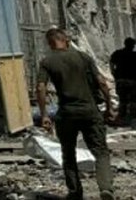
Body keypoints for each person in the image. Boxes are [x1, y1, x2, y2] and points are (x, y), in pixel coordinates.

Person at [37, 27, 114, 200]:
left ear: (50, 43)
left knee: (68, 153)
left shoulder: (47, 62)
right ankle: (106, 188)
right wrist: (109, 106)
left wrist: (44, 115)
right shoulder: (83, 57)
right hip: (90, 111)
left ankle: (75, 192)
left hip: (66, 113)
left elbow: (41, 87)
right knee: (101, 152)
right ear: (66, 40)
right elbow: (102, 82)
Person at [110, 37, 136, 124]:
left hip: (121, 80)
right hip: (132, 81)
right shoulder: (134, 55)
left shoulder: (118, 53)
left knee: (122, 100)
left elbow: (111, 63)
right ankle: (131, 118)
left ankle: (122, 117)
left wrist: (114, 73)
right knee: (133, 100)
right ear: (133, 45)